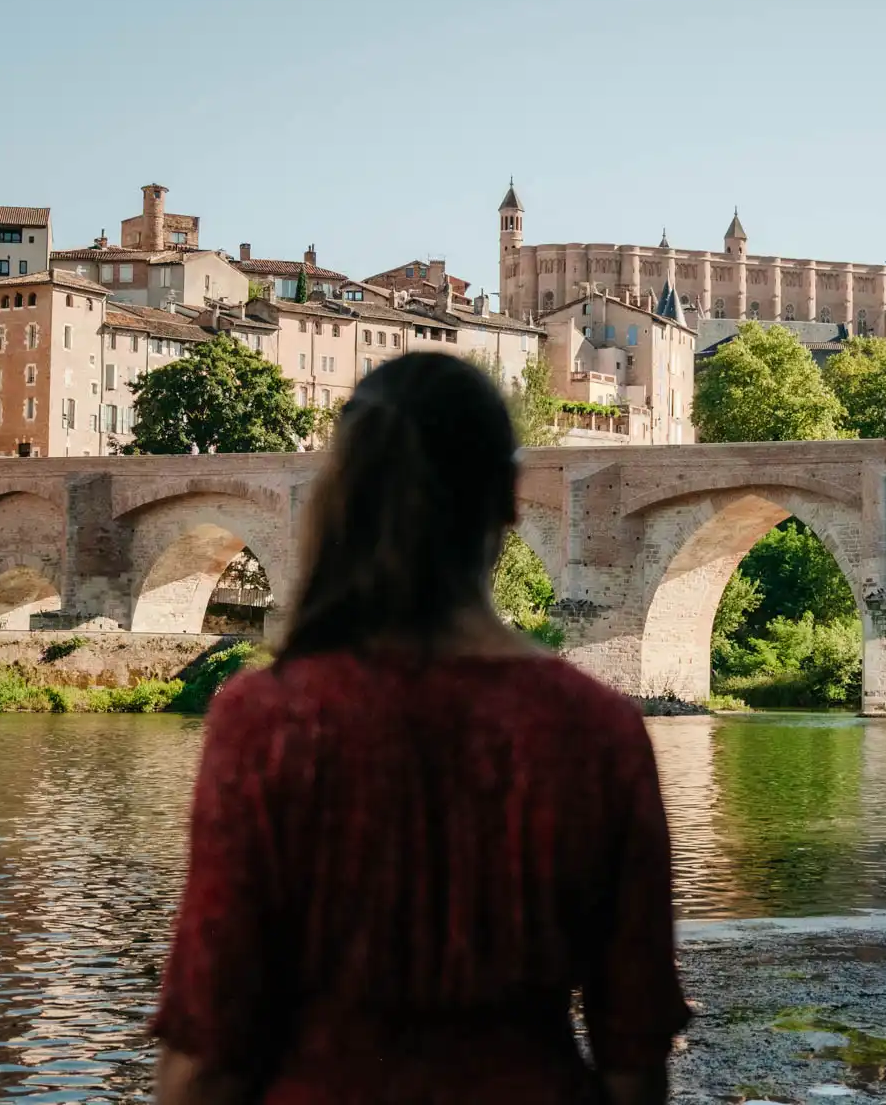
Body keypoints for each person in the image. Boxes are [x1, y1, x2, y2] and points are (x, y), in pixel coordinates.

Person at [152, 352, 690, 1104]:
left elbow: (206, 1050)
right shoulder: (598, 731)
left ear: (346, 497)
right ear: (508, 501)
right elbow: (635, 1059)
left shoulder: (268, 723)